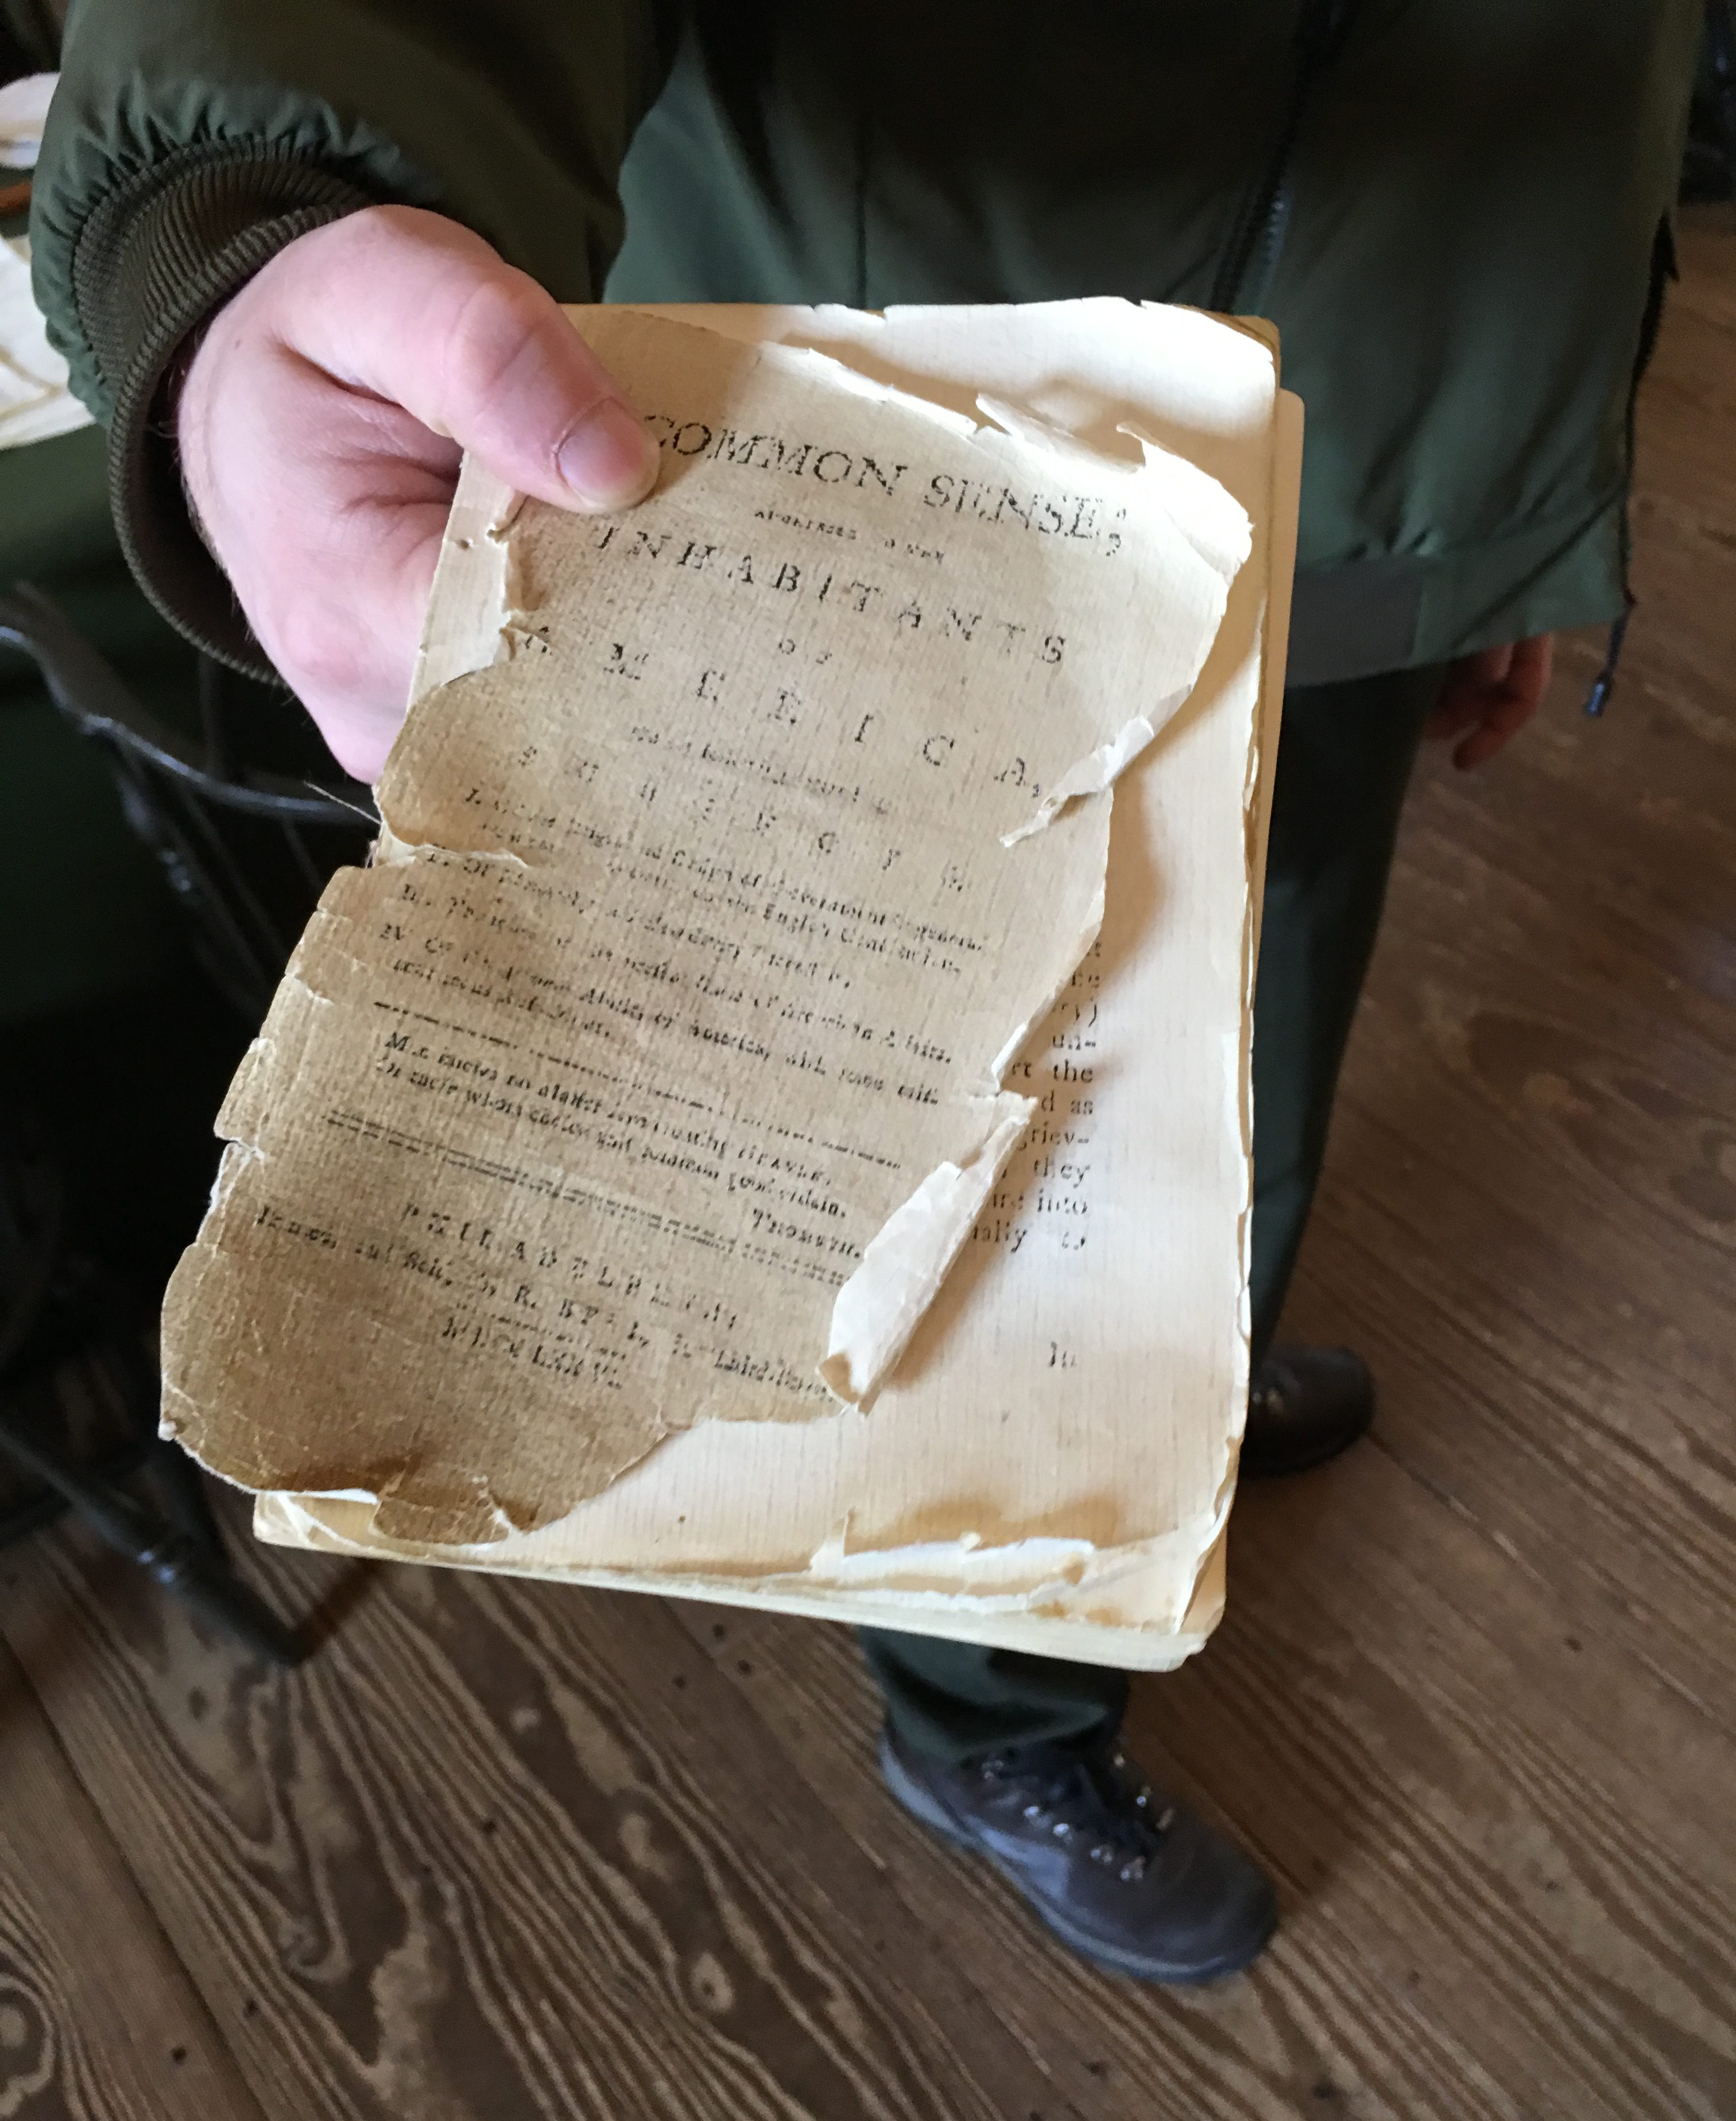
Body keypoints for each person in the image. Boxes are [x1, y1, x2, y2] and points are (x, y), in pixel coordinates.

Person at [27, 1, 1702, 1983]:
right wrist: (245, 206)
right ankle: (993, 1721)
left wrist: (1498, 514)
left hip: (1371, 473)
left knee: (1241, 1063)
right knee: (932, 1166)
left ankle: (1184, 1381)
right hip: (887, 467)